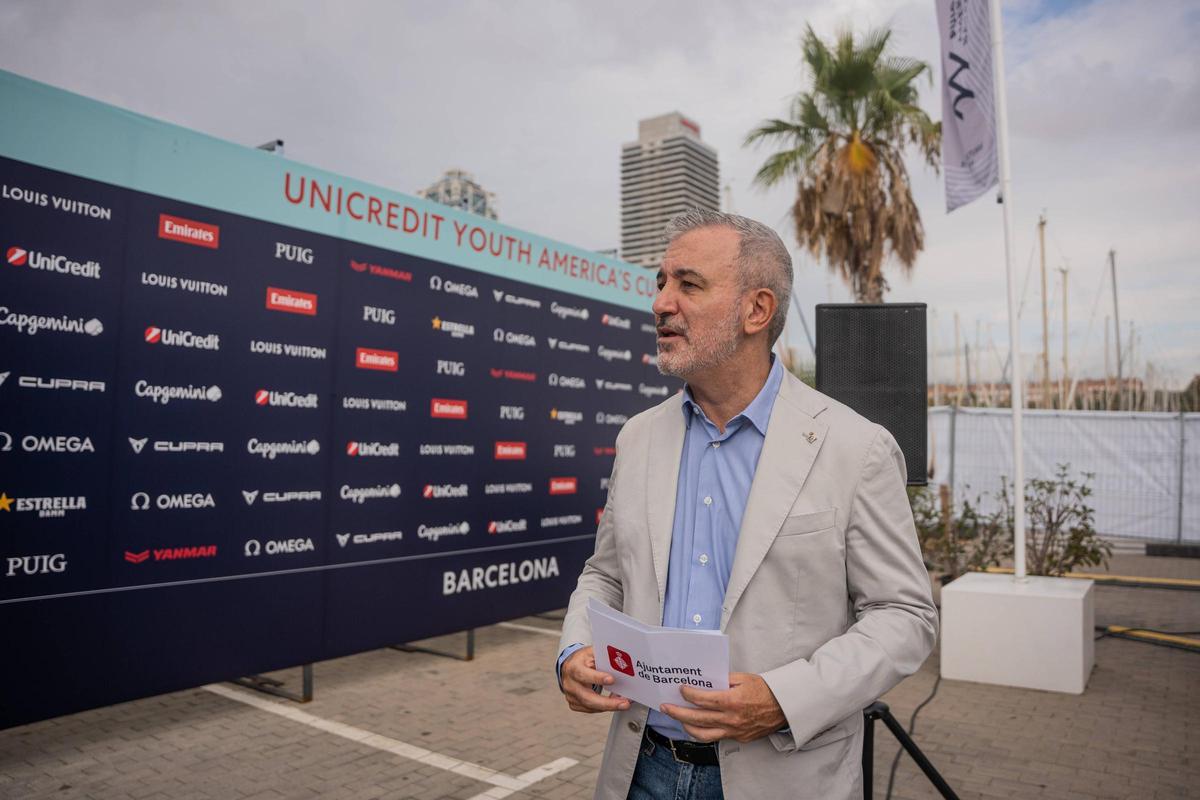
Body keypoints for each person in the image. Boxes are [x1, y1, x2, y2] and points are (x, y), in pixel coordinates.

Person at [556, 209, 937, 800]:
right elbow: (604, 575)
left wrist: (783, 700)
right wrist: (574, 649)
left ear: (756, 310)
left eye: (688, 284)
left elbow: (905, 617)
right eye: (661, 282)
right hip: (641, 771)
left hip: (784, 778)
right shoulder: (638, 437)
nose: (660, 303)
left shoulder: (855, 448)